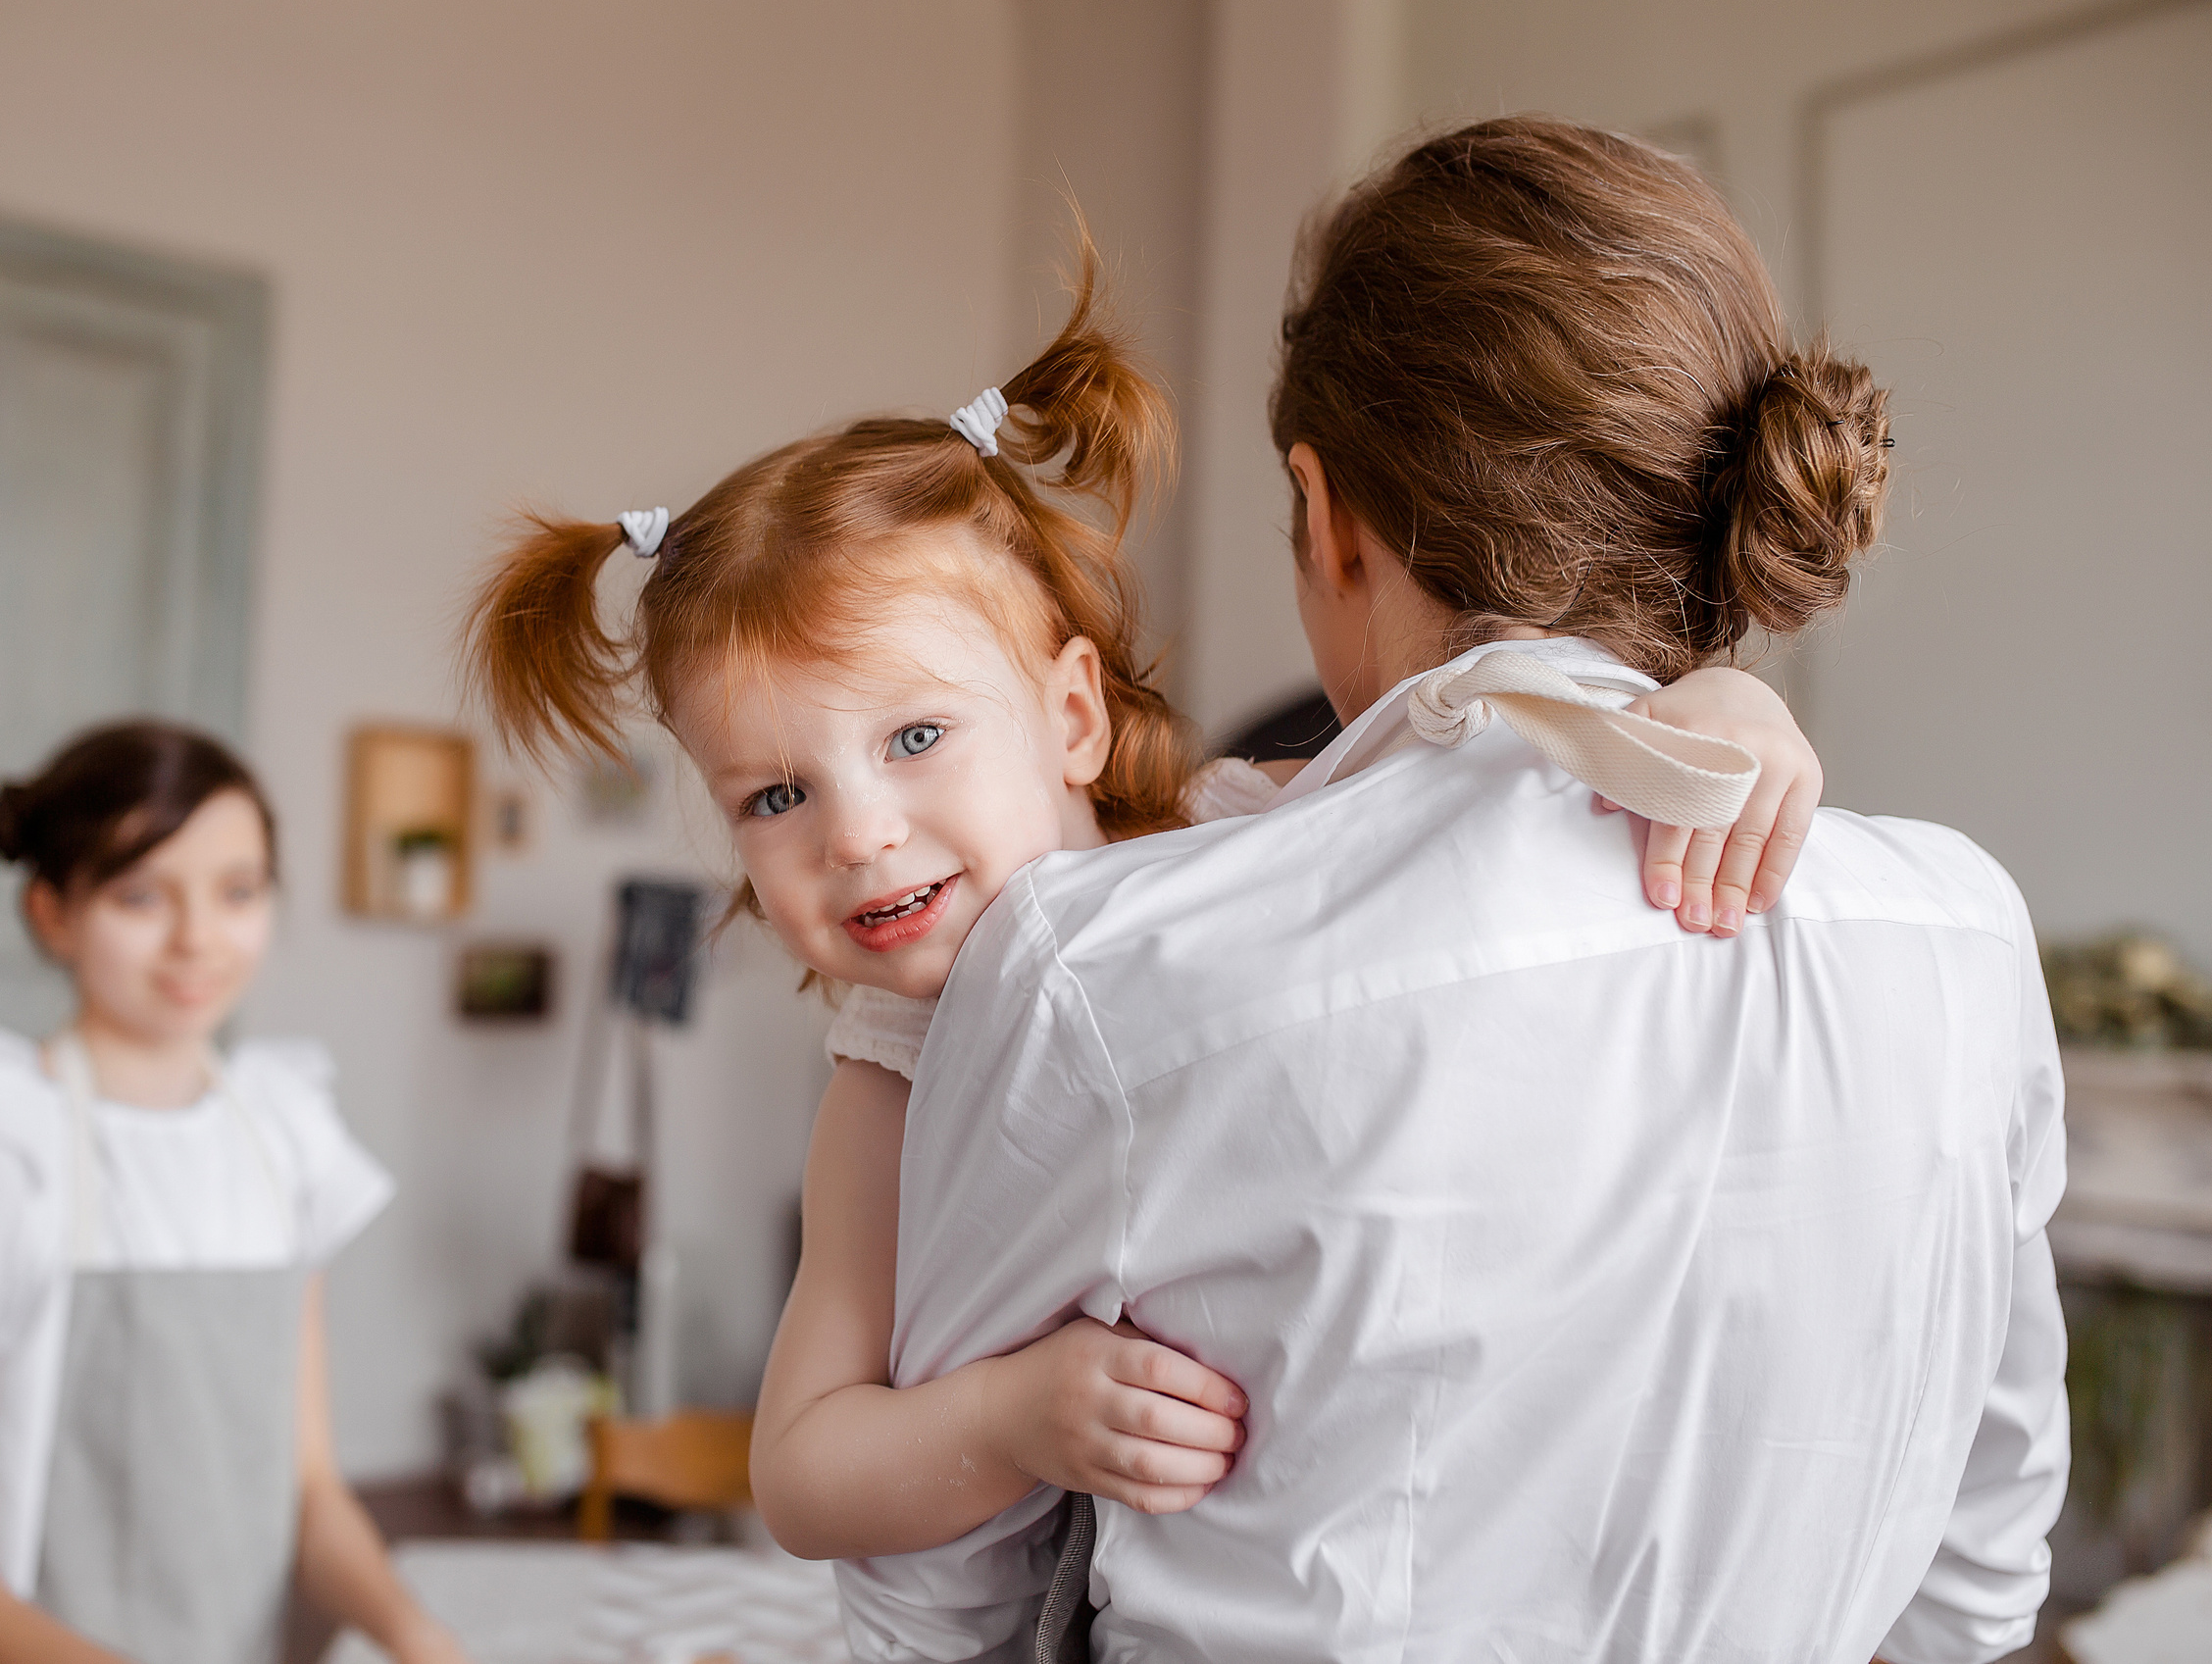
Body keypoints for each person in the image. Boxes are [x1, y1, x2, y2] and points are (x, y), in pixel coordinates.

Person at [835, 116, 2070, 1664]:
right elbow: (1971, 1589)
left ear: (1328, 511)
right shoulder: (1956, 931)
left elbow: (939, 1611)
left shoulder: (1100, 961)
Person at [465, 243, 1824, 1567]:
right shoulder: (885, 1080)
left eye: (917, 738)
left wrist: (1708, 714)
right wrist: (1013, 1414)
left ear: (1068, 713)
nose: (857, 834)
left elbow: (1496, 767)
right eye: (774, 797)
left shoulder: (1241, 831)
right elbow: (803, 1468)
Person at [0, 723, 468, 1664]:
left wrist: (408, 1629)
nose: (197, 938)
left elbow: (308, 1489)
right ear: (52, 911)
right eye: (141, 895)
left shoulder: (285, 1135)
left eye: (238, 891)